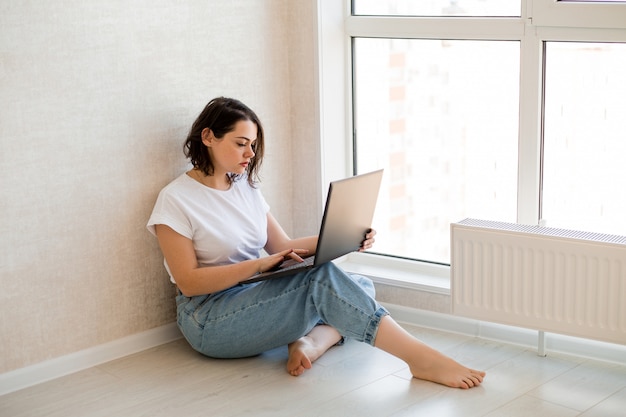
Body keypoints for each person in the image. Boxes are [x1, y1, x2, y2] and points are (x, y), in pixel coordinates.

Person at [147, 97, 485, 389]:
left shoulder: (244, 188)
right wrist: (258, 265)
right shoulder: (176, 199)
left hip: (255, 295)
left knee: (358, 284)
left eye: (253, 144)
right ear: (208, 137)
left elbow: (283, 244)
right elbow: (189, 283)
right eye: (241, 143)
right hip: (208, 319)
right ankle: (419, 358)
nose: (250, 153)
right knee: (326, 284)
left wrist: (345, 238)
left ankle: (310, 342)